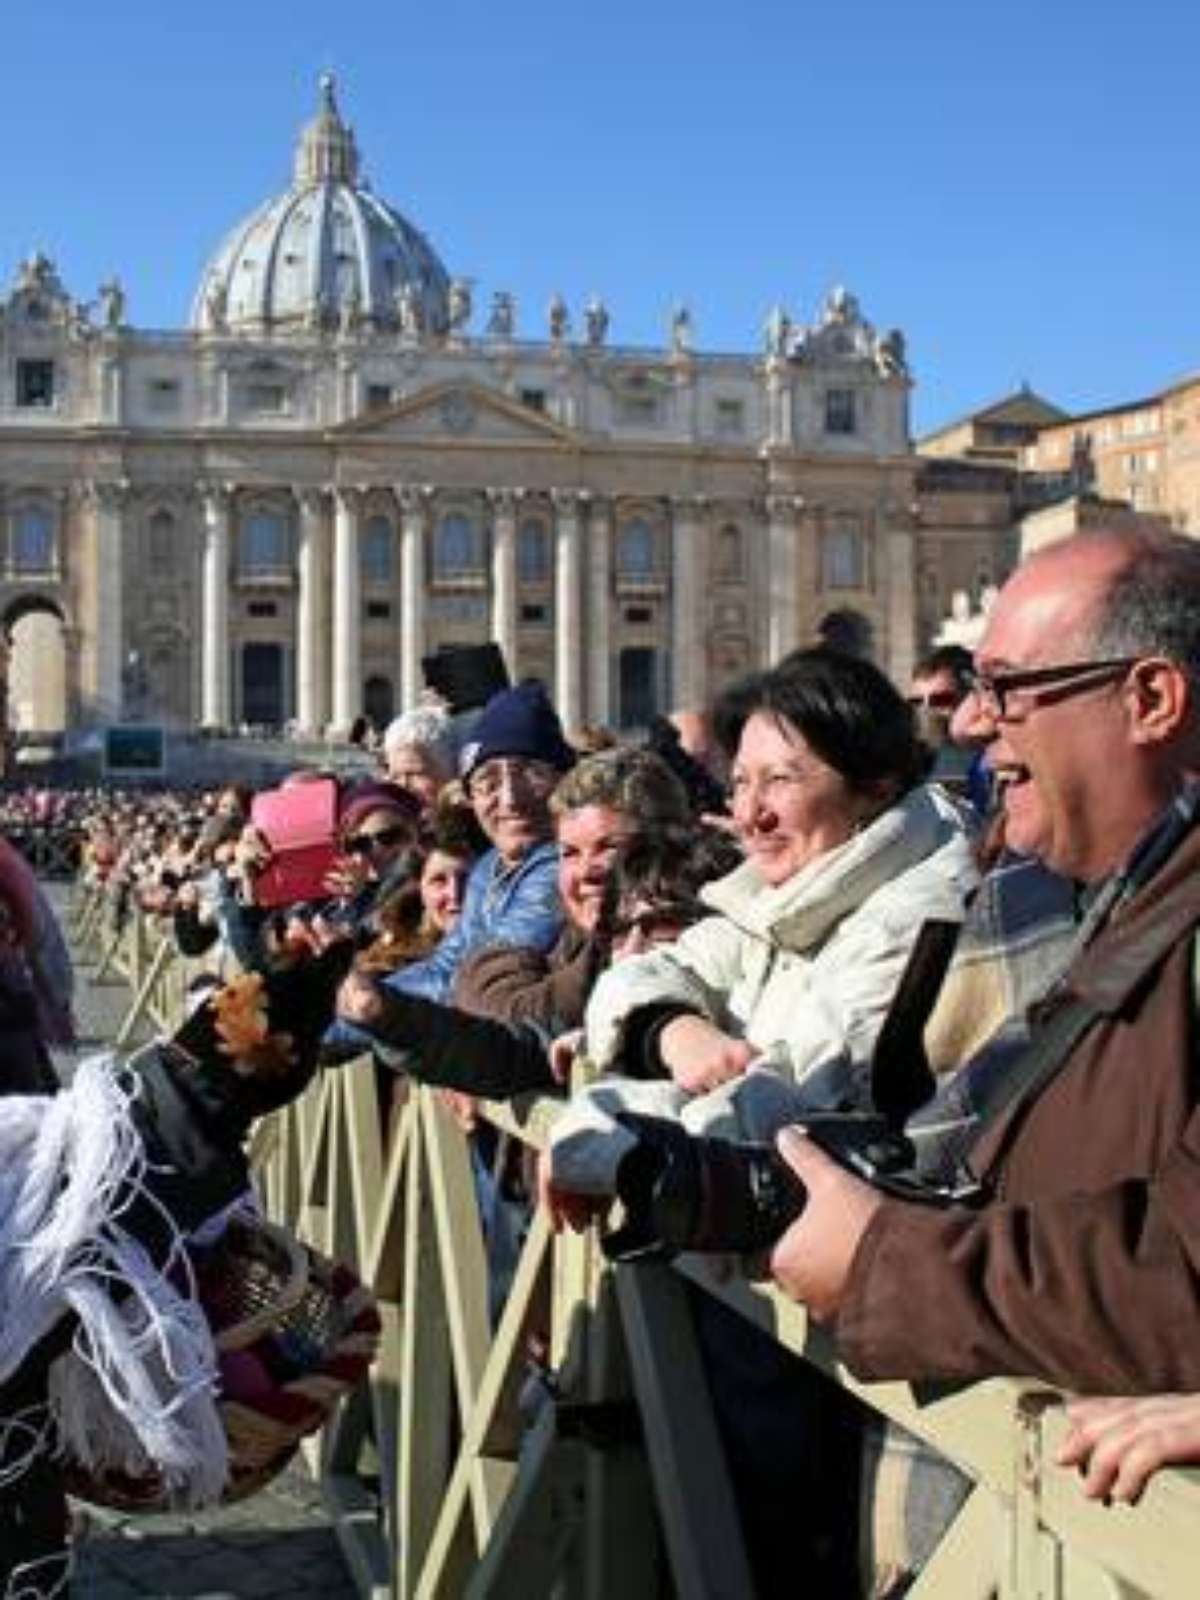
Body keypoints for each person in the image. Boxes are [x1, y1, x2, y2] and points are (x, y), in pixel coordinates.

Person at [767, 528, 1200, 1395]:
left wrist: (885, 1263)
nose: (969, 724)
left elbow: (1179, 1271)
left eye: (1003, 689)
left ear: (1150, 699)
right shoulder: (1121, 897)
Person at [323, 681, 575, 1057]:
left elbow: (469, 980)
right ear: (470, 796)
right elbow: (444, 968)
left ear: (563, 781)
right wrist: (327, 1019)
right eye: (488, 782)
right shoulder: (491, 866)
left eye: (530, 774)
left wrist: (337, 1019)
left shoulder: (559, 865)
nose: (509, 799)